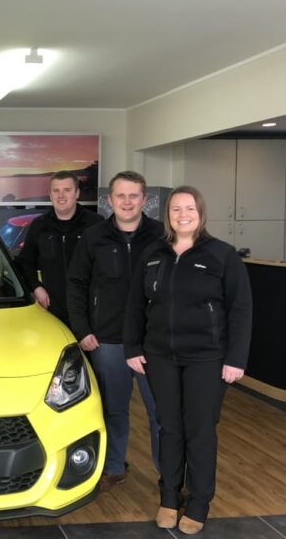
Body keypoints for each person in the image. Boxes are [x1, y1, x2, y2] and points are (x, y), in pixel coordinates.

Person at [124, 186, 252, 534]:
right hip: (160, 356)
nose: (183, 215)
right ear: (167, 215)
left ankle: (198, 502)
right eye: (176, 209)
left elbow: (240, 310)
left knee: (199, 430)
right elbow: (135, 304)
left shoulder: (222, 255)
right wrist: (132, 347)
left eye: (189, 208)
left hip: (207, 358)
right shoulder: (153, 253)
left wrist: (236, 358)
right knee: (169, 427)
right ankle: (168, 497)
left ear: (200, 213)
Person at [67, 170, 162, 491]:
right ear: (110, 200)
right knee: (112, 411)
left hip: (153, 343)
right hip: (107, 340)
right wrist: (82, 330)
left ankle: (169, 473)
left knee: (161, 414)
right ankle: (113, 467)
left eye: (133, 195)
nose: (127, 201)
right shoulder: (93, 237)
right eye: (120, 195)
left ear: (144, 199)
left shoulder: (162, 236)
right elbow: (76, 284)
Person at [14, 170, 102, 326]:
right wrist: (36, 287)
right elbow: (25, 262)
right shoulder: (39, 225)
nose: (61, 195)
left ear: (77, 193)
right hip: (52, 312)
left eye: (67, 190)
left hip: (91, 313)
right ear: (50, 195)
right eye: (56, 191)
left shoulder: (96, 224)